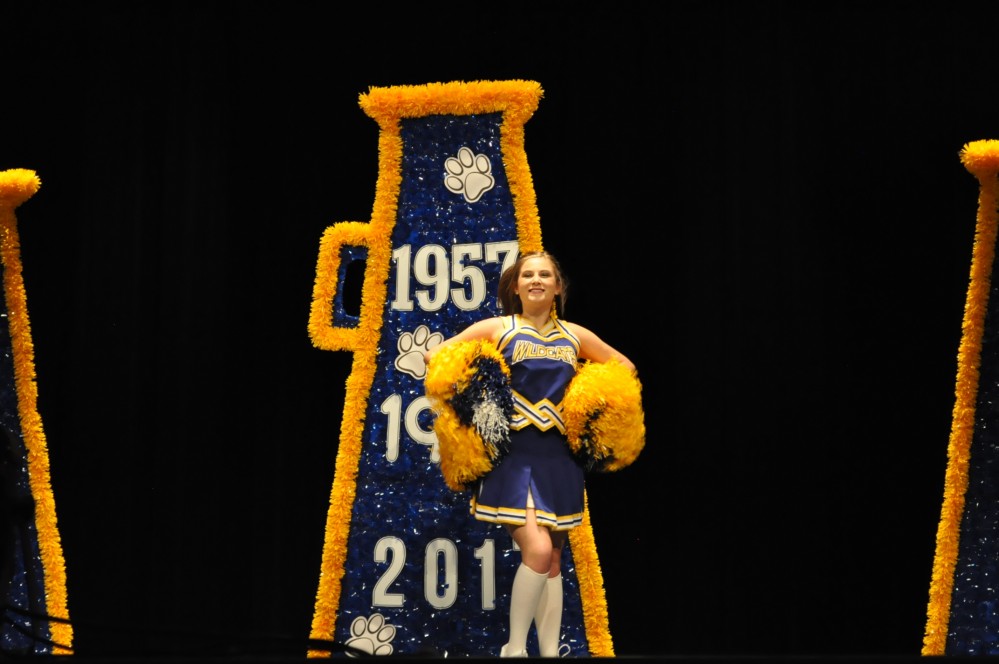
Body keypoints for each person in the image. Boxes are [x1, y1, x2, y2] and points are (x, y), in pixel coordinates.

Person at [424, 250, 636, 658]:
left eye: (545, 275)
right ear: (515, 286)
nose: (536, 280)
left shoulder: (575, 336)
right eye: (528, 275)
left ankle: (550, 652)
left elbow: (623, 366)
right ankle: (515, 649)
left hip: (559, 456)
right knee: (537, 551)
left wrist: (587, 401)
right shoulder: (499, 328)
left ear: (558, 287)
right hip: (513, 454)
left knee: (553, 560)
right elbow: (438, 354)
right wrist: (481, 394)